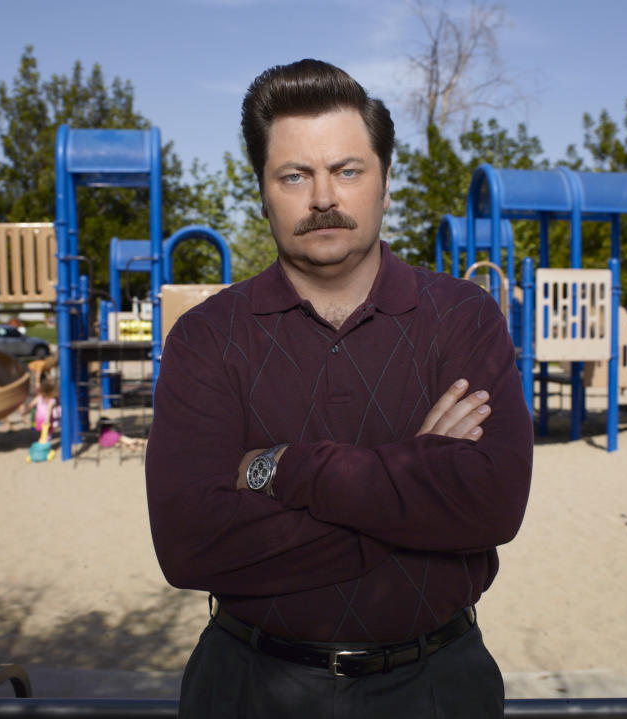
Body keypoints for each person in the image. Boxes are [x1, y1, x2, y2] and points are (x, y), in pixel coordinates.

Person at [146, 59, 533, 719]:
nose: (324, 197)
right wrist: (416, 495)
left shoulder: (463, 317)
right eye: (295, 175)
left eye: (348, 170)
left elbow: (493, 504)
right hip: (249, 685)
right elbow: (189, 544)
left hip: (438, 683)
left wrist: (287, 466)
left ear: (384, 185)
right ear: (263, 191)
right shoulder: (205, 337)